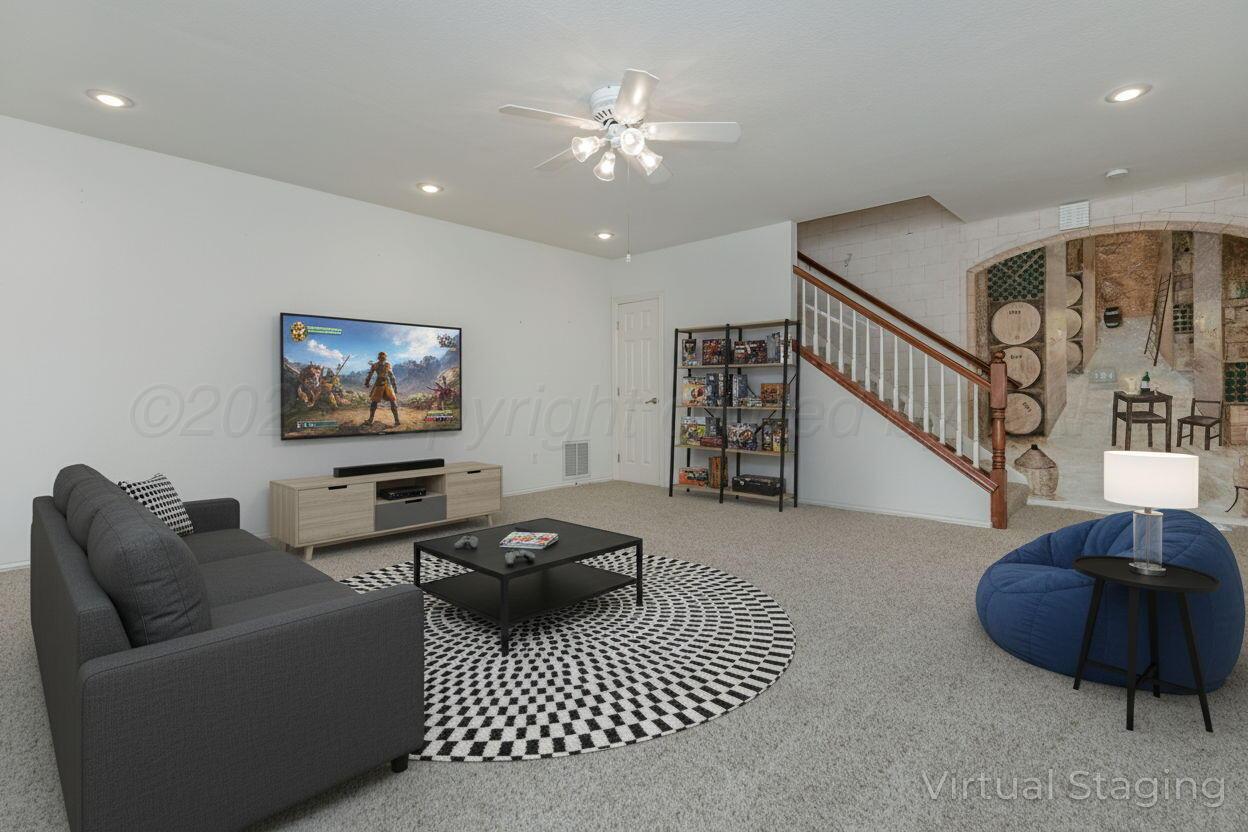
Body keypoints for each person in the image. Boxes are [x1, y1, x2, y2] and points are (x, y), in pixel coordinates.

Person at [363, 351, 400, 426]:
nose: (382, 359)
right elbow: (392, 376)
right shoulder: (378, 365)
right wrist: (367, 382)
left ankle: (397, 420)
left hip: (385, 383)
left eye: (383, 357)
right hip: (382, 383)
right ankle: (371, 419)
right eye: (382, 357)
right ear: (380, 358)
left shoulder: (383, 365)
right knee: (375, 401)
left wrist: (367, 382)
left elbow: (391, 376)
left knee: (392, 401)